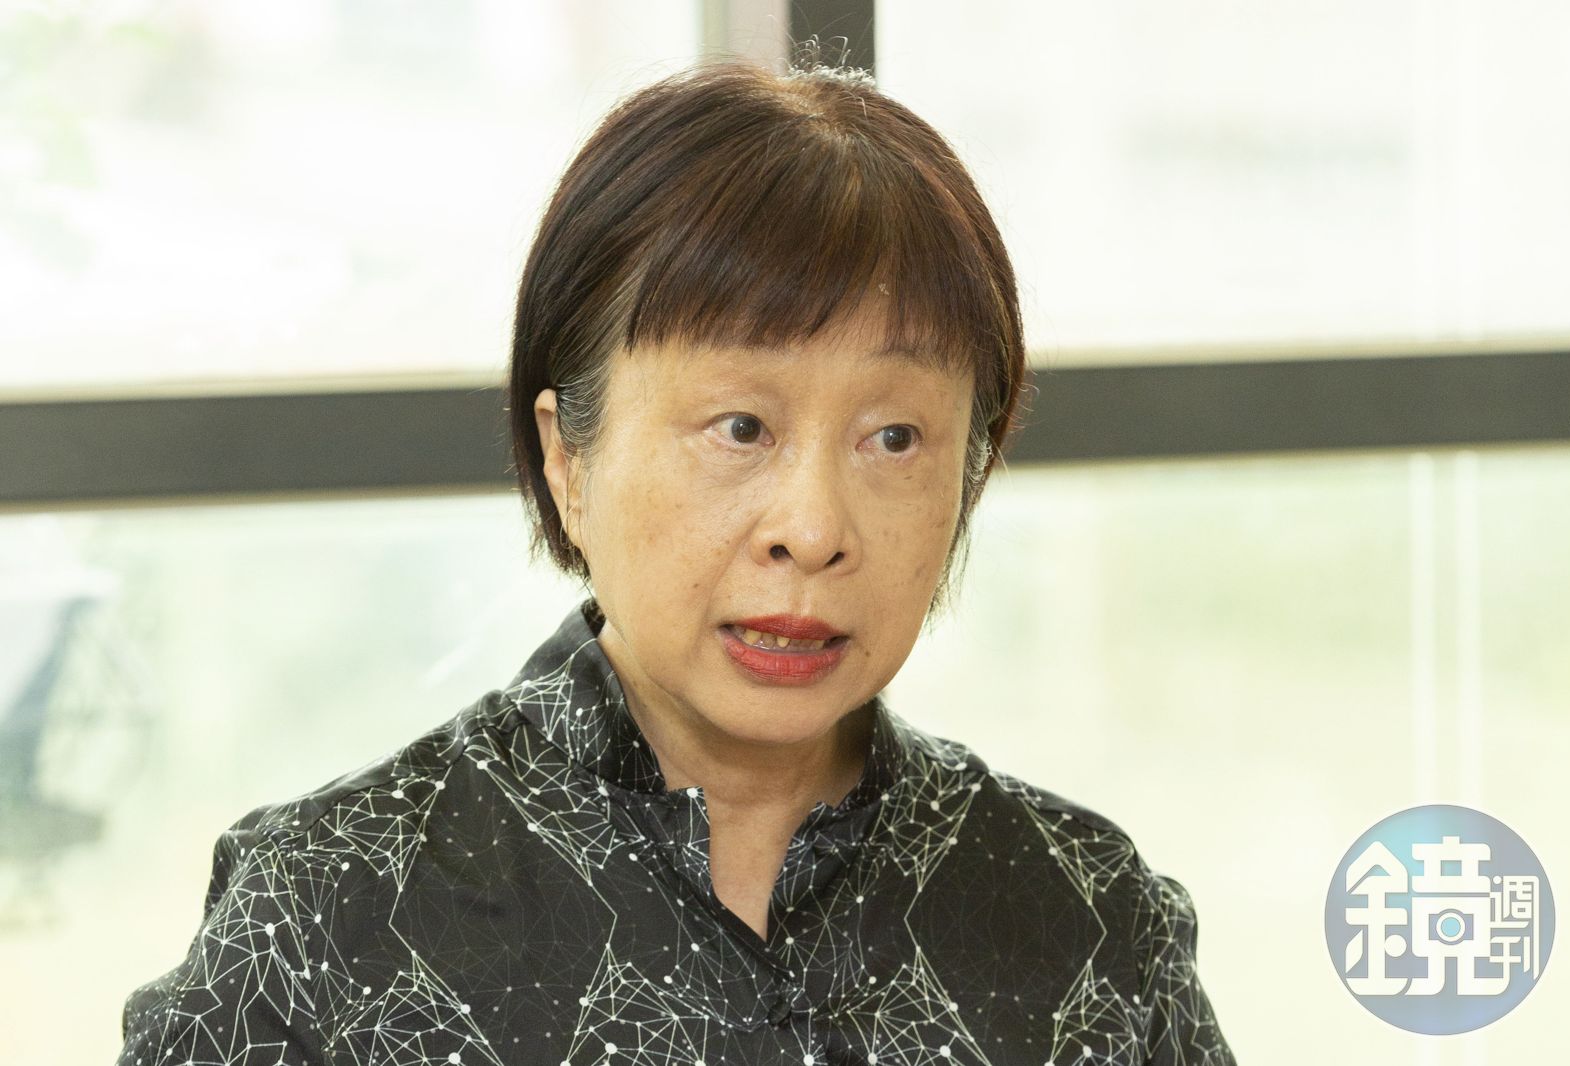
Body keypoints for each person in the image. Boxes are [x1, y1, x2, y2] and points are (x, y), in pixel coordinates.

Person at [117, 56, 1237, 1065]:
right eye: (740, 427)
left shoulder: (1091, 924)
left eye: (894, 437)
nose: (813, 526)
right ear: (569, 457)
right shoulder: (326, 921)